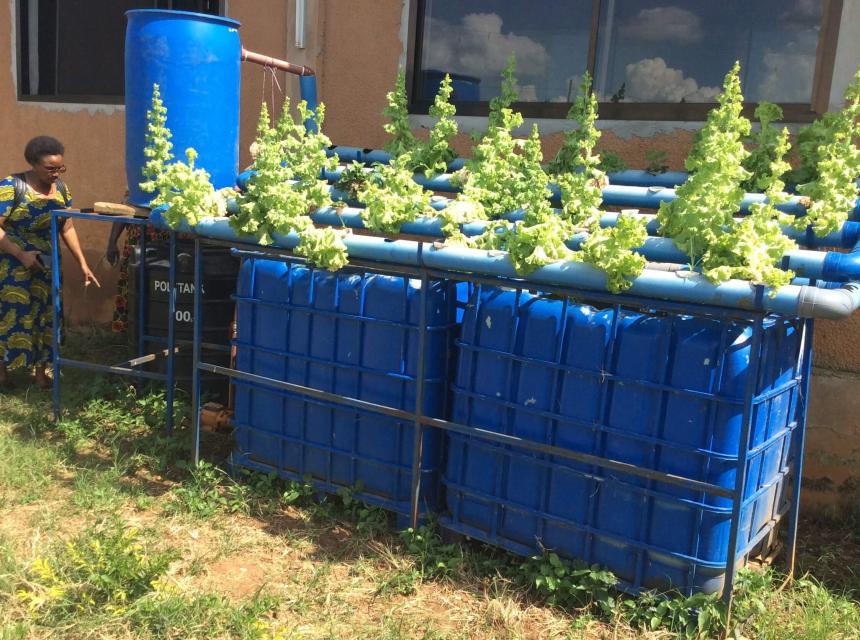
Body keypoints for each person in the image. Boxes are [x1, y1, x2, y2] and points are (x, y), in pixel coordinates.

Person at [0, 136, 100, 389]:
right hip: (12, 265)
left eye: (60, 168)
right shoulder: (11, 186)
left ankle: (41, 373)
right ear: (33, 163)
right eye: (50, 168)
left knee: (47, 315)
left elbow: (67, 226)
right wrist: (20, 254)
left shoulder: (62, 189)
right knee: (11, 315)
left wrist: (82, 263)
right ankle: (2, 373)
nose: (56, 173)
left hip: (47, 264)